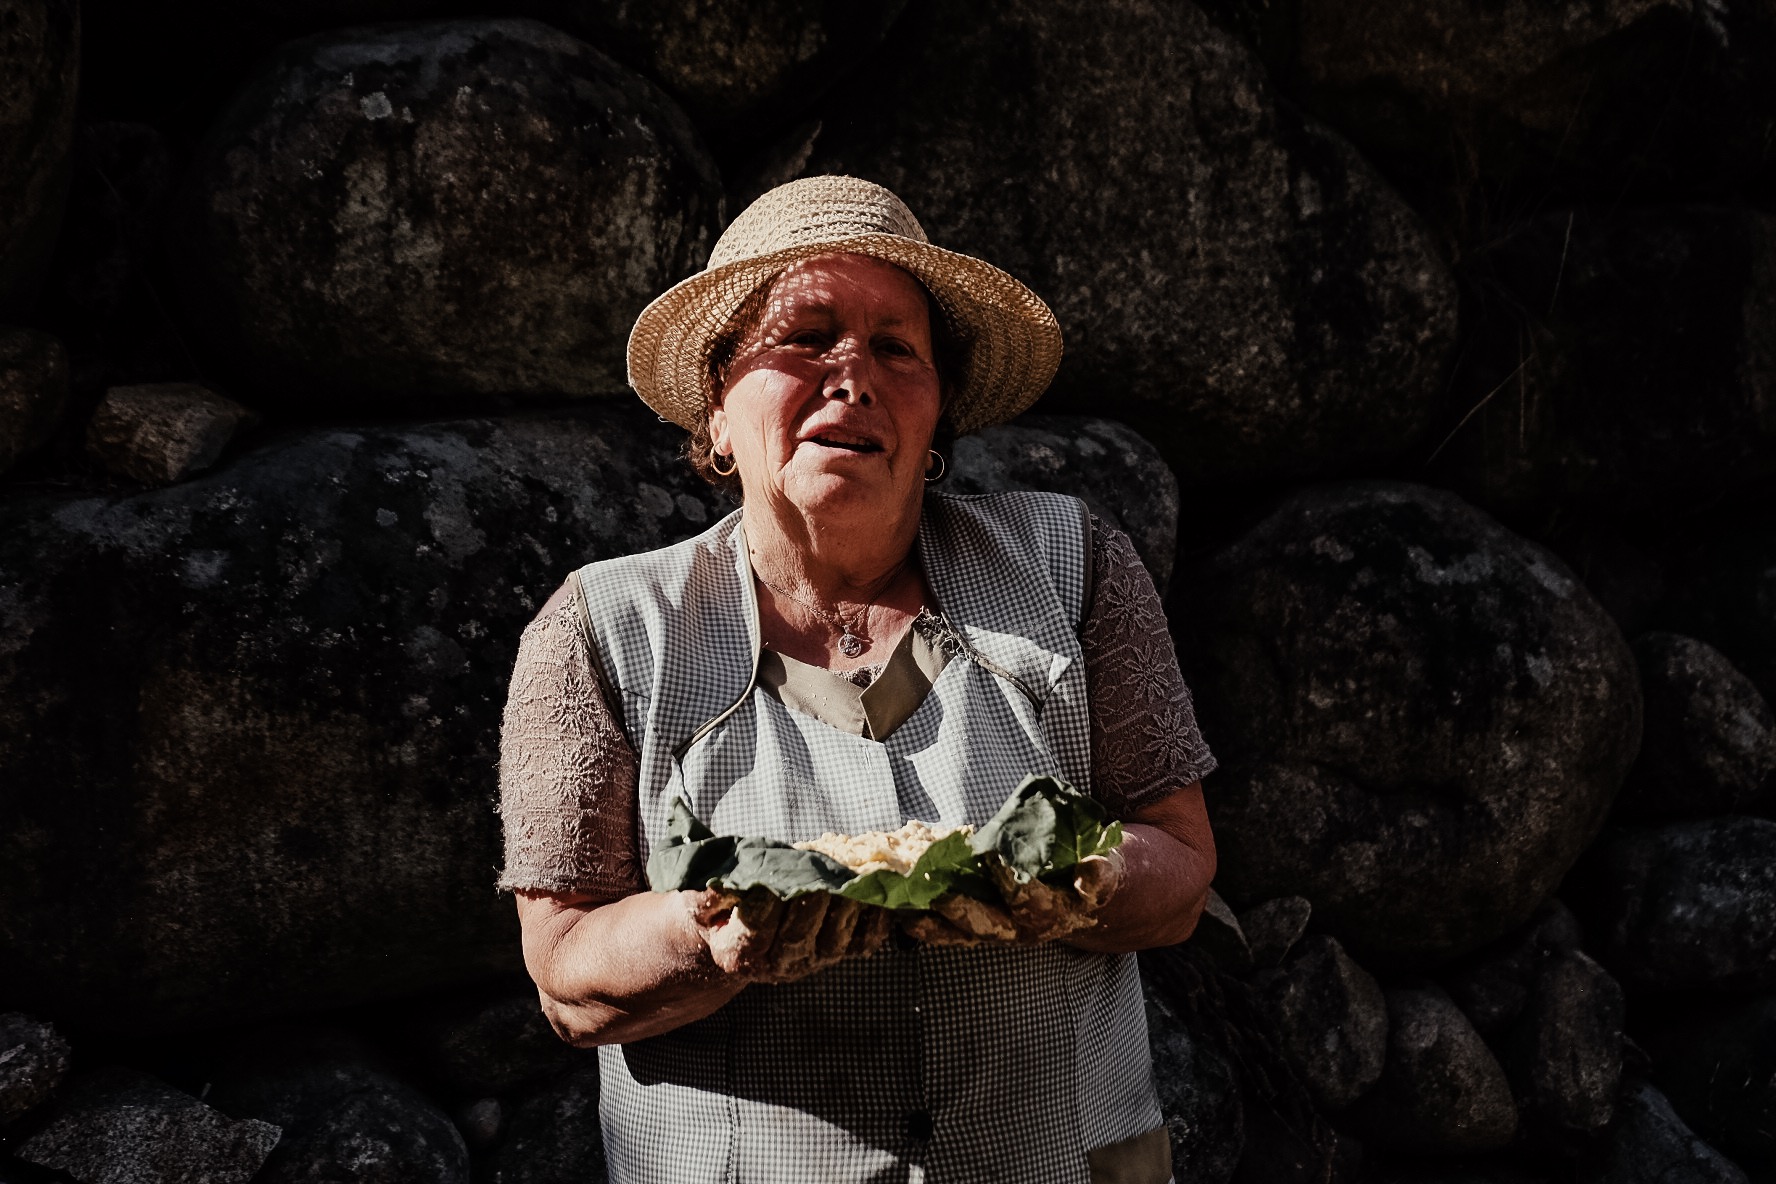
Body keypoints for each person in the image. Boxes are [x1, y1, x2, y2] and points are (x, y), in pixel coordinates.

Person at [498, 175, 1218, 1184]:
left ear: (936, 413)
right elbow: (568, 968)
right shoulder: (604, 630)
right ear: (716, 403)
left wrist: (1056, 875)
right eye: (806, 336)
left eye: (895, 348)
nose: (853, 375)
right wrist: (720, 923)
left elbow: (1181, 864)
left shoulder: (1070, 564)